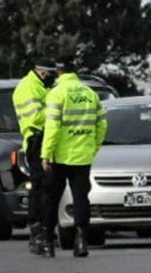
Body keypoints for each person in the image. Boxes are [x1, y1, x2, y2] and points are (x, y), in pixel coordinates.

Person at [41, 58, 107, 258]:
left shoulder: (57, 94)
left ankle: (48, 243)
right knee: (81, 199)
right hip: (83, 156)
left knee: (52, 199)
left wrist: (46, 153)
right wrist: (92, 147)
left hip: (60, 157)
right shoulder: (90, 94)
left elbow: (52, 127)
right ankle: (81, 242)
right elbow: (102, 125)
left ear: (59, 71)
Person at [13, 58, 58, 256]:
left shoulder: (42, 86)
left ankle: (48, 229)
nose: (53, 78)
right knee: (39, 187)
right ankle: (36, 231)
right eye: (50, 74)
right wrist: (58, 109)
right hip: (36, 141)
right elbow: (36, 117)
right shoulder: (27, 87)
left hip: (49, 140)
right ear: (41, 72)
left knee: (50, 186)